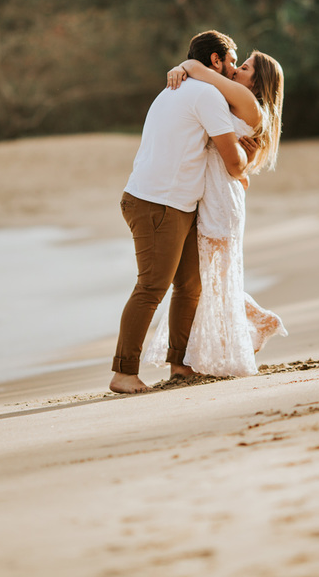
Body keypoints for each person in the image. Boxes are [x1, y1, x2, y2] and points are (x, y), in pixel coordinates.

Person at [110, 31, 251, 395]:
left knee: (190, 285)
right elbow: (234, 162)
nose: (234, 70)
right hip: (158, 203)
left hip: (174, 202)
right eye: (232, 61)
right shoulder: (206, 95)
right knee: (152, 287)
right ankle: (124, 373)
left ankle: (180, 365)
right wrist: (245, 160)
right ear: (216, 60)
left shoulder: (179, 89)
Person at [141, 48, 287, 377]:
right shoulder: (235, 101)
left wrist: (185, 65)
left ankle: (245, 331)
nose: (236, 71)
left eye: (245, 67)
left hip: (221, 200)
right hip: (212, 195)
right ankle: (252, 325)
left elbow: (202, 71)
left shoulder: (248, 103)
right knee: (207, 279)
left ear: (258, 82)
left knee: (210, 279)